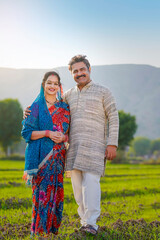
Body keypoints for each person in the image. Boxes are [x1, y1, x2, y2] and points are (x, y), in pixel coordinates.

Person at [24, 55, 119, 236]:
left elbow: (113, 117)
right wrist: (27, 111)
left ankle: (91, 223)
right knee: (77, 188)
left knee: (91, 184)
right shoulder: (69, 95)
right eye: (75, 71)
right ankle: (84, 222)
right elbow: (50, 104)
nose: (79, 73)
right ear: (72, 74)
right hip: (73, 149)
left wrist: (112, 144)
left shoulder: (103, 91)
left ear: (89, 69)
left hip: (95, 147)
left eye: (82, 69)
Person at [21, 71, 70, 238]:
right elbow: (27, 133)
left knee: (56, 197)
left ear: (59, 86)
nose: (52, 86)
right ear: (44, 85)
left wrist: (64, 137)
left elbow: (69, 133)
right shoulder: (35, 107)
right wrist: (48, 133)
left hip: (58, 161)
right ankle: (40, 233)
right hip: (42, 161)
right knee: (41, 198)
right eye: (49, 82)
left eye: (56, 83)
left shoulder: (64, 108)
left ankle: (52, 233)